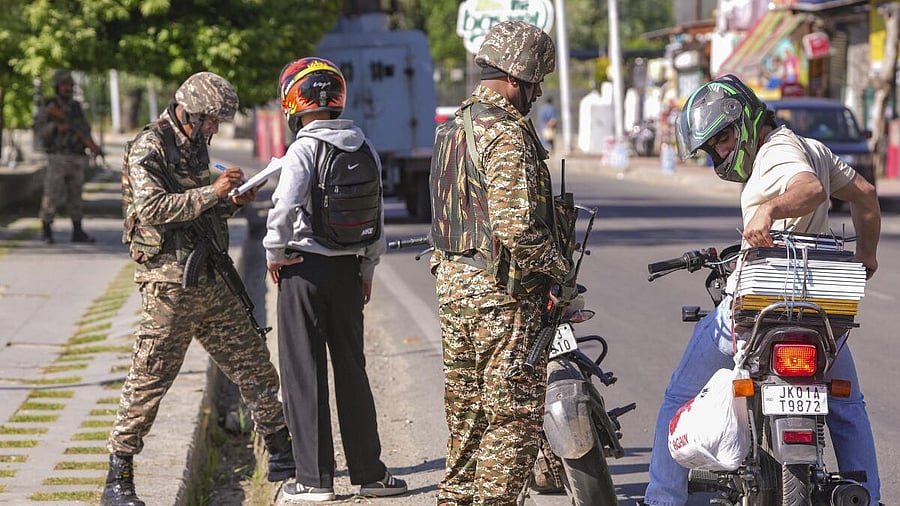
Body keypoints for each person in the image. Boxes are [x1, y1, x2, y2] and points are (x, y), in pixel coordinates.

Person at [643, 74, 882, 505]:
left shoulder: (779, 151)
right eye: (714, 145)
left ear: (747, 119)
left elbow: (807, 188)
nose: (722, 149)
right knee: (847, 407)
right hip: (820, 308)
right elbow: (865, 194)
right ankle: (870, 497)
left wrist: (769, 210)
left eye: (725, 137)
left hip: (759, 307)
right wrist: (867, 255)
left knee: (679, 394)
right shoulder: (815, 149)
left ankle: (663, 498)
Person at [102, 72, 294, 506]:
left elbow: (200, 214)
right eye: (211, 121)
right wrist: (213, 192)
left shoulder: (193, 146)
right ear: (190, 111)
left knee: (254, 364)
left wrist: (232, 200)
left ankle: (283, 456)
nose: (216, 129)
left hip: (210, 278)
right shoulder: (150, 146)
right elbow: (152, 210)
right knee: (149, 379)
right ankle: (119, 477)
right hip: (169, 287)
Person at [429, 21, 573, 505]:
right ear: (517, 77)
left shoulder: (452, 129)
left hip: (454, 292)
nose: (537, 93)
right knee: (512, 420)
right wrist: (560, 272)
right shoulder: (506, 134)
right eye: (536, 82)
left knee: (467, 420)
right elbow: (518, 230)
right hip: (501, 300)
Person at [263, 56, 406, 502]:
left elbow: (284, 207)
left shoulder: (303, 150)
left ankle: (313, 480)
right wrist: (366, 269)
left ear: (294, 103)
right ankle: (370, 475)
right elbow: (376, 218)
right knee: (352, 370)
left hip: (302, 270)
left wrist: (274, 251)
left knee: (304, 373)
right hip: (348, 271)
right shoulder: (365, 147)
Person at [33, 69, 103, 243]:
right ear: (57, 86)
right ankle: (46, 231)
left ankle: (77, 231)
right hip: (56, 157)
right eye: (65, 85)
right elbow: (39, 131)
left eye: (70, 85)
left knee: (76, 195)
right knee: (51, 194)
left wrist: (94, 147)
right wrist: (55, 127)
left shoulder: (76, 107)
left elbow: (84, 131)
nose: (68, 88)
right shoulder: (49, 107)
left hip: (76, 157)